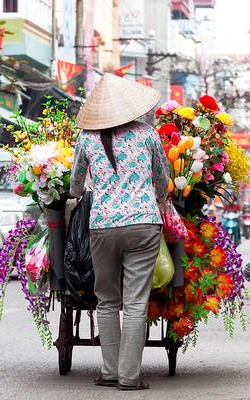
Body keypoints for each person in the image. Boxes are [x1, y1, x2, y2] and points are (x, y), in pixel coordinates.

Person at [70, 74, 168, 391]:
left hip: (101, 226)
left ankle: (110, 372)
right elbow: (161, 179)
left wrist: (80, 193)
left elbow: (75, 184)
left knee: (107, 300)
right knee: (136, 303)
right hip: (143, 224)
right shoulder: (148, 134)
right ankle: (129, 377)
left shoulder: (86, 139)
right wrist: (158, 201)